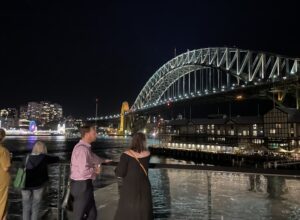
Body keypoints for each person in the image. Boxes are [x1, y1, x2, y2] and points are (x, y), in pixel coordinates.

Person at [70, 125, 112, 220]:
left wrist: (103, 160)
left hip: (85, 186)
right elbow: (83, 171)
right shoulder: (82, 150)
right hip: (81, 186)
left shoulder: (85, 148)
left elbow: (93, 157)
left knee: (92, 215)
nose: (96, 134)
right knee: (78, 216)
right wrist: (95, 171)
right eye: (94, 132)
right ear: (87, 134)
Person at [114, 132, 153, 220]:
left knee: (128, 211)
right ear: (144, 141)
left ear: (133, 141)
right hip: (144, 186)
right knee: (143, 211)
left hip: (130, 187)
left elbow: (120, 173)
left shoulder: (126, 154)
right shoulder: (148, 154)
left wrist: (116, 170)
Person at [21, 141, 59, 220]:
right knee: (36, 206)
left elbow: (22, 168)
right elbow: (56, 159)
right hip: (38, 185)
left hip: (25, 184)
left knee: (26, 206)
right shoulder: (44, 157)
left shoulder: (26, 157)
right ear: (43, 148)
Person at [0, 129, 11, 220]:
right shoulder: (3, 151)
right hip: (2, 180)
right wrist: (10, 158)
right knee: (2, 202)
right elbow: (6, 167)